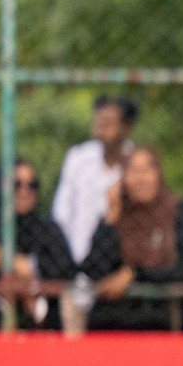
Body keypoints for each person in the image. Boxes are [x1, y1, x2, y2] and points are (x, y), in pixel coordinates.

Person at [81, 147, 183, 332]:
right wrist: (111, 216)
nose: (140, 178)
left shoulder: (179, 213)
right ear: (122, 178)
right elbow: (93, 270)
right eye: (133, 171)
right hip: (112, 325)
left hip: (161, 323)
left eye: (147, 170)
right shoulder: (116, 217)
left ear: (158, 174)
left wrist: (135, 276)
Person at [52, 96, 137, 263]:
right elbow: (62, 213)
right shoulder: (78, 158)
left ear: (127, 127)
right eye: (99, 118)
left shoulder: (136, 163)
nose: (101, 125)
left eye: (109, 120)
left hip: (119, 262)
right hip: (76, 258)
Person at [2, 159, 77, 331]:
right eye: (16, 185)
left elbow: (66, 269)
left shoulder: (48, 229)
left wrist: (22, 265)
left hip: (44, 323)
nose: (24, 191)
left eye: (32, 185)